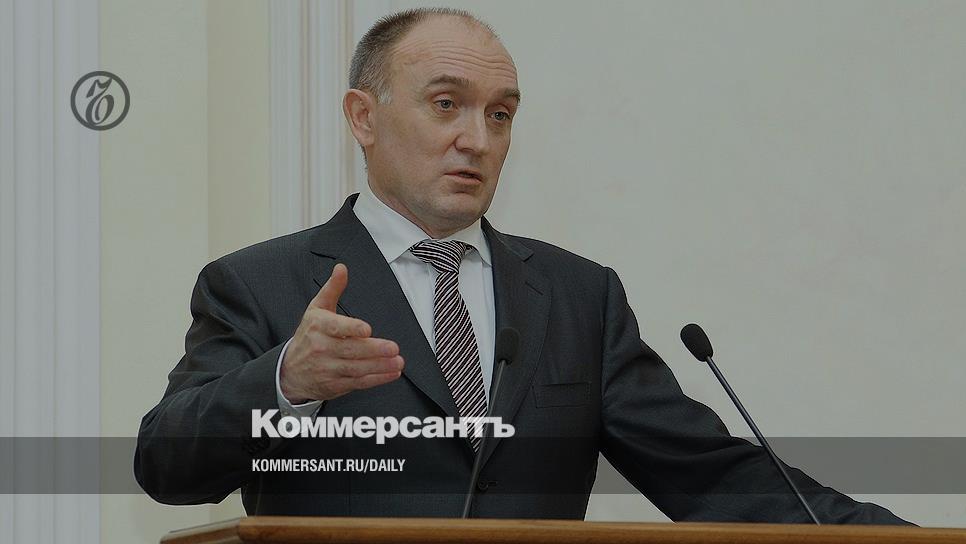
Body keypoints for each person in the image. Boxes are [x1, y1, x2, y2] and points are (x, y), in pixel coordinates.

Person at [135, 7, 908, 522]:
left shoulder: (578, 296)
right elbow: (167, 468)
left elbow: (710, 476)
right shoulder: (261, 284)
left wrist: (898, 538)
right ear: (363, 117)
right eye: (446, 104)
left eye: (500, 114)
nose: (478, 138)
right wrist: (284, 382)